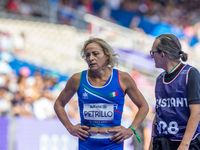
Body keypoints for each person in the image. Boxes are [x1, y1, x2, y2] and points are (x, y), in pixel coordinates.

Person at [54, 37, 149, 150]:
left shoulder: (122, 78)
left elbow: (144, 106)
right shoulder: (77, 79)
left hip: (113, 143)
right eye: (87, 55)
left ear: (107, 56)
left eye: (95, 54)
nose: (91, 58)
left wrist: (131, 130)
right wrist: (70, 127)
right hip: (87, 143)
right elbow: (58, 104)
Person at [148, 34, 200, 150]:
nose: (151, 57)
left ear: (163, 54)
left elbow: (196, 112)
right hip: (162, 142)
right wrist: (151, 144)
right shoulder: (160, 79)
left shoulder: (190, 73)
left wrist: (184, 145)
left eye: (153, 53)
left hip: (185, 143)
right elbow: (158, 114)